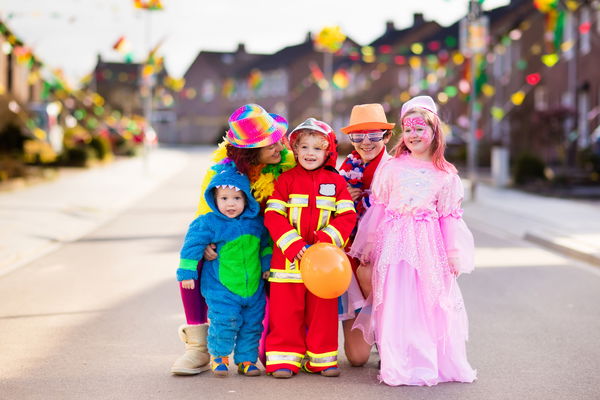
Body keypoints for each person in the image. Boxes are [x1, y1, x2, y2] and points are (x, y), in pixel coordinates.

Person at [349, 96, 477, 386]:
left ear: (435, 132)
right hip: (393, 245)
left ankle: (425, 360)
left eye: (421, 128)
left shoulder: (445, 175)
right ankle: (397, 362)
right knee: (395, 301)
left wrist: (453, 254)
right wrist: (368, 245)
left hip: (428, 248)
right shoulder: (392, 168)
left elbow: (449, 218)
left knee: (426, 303)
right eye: (408, 129)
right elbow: (379, 210)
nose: (414, 135)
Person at [171, 104, 295, 375]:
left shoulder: (287, 165)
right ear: (250, 153)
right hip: (232, 250)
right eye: (270, 144)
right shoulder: (219, 174)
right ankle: (198, 348)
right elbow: (204, 219)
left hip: (272, 246)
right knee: (192, 262)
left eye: (278, 139)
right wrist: (205, 246)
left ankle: (292, 339)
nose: (280, 147)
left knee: (265, 353)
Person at [263, 118, 356, 378]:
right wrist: (293, 244)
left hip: (324, 265)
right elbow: (273, 216)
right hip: (288, 263)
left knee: (322, 312)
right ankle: (284, 360)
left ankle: (322, 359)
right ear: (295, 150)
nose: (310, 153)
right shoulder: (285, 181)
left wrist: (326, 242)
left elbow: (347, 216)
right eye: (304, 147)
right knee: (285, 313)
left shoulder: (335, 183)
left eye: (317, 148)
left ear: (328, 152)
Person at [177, 163, 271, 377]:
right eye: (224, 199)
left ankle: (246, 360)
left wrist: (266, 265)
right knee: (224, 321)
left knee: (252, 324)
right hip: (221, 288)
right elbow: (191, 246)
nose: (231, 204)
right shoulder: (208, 222)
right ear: (214, 199)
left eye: (236, 198)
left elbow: (266, 244)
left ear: (246, 199)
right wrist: (187, 273)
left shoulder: (256, 223)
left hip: (253, 287)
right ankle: (219, 356)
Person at [338, 103, 395, 367]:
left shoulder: (396, 169)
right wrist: (341, 200)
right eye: (358, 137)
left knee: (382, 290)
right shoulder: (344, 170)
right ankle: (368, 333)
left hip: (386, 256)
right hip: (352, 255)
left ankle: (390, 341)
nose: (366, 143)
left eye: (373, 136)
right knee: (357, 358)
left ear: (386, 137)